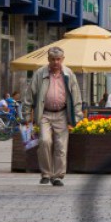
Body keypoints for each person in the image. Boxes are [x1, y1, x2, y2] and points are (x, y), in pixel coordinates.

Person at [23, 47, 83, 187]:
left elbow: (76, 96)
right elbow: (29, 96)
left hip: (62, 114)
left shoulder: (68, 74)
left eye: (58, 59)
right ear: (48, 59)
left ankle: (57, 176)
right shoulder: (39, 74)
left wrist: (77, 116)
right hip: (44, 113)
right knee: (45, 141)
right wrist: (27, 116)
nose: (56, 62)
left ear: (62, 59)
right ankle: (46, 173)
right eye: (53, 59)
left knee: (61, 146)